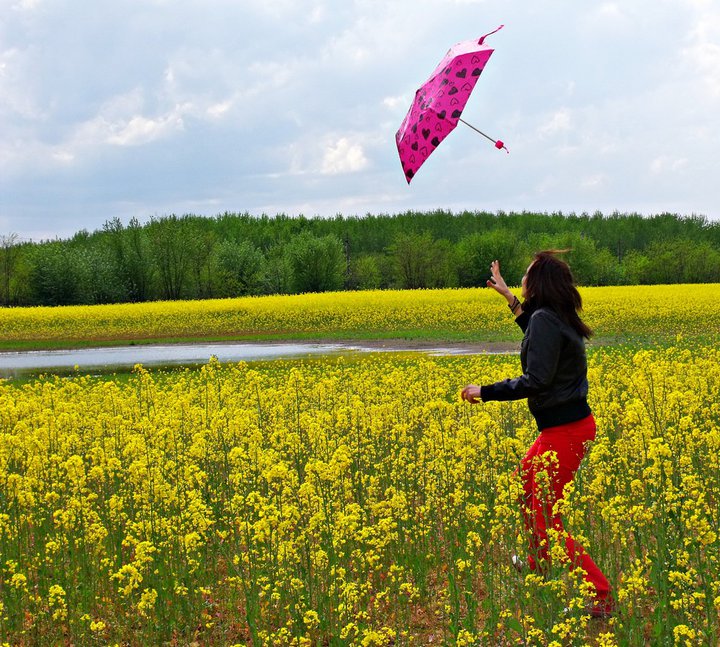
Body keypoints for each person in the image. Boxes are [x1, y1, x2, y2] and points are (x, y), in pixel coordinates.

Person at [461, 251, 613, 618]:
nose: (524, 280)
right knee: (525, 489)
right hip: (568, 426)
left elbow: (537, 379)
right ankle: (538, 563)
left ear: (539, 282)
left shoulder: (547, 318)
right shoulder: (554, 316)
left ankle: (601, 595)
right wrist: (510, 298)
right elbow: (537, 336)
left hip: (565, 429)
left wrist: (486, 390)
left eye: (527, 276)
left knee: (545, 513)